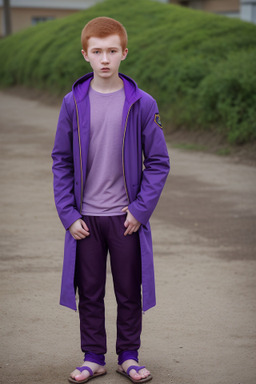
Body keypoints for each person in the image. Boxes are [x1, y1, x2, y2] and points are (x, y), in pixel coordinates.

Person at [52, 16, 170, 384]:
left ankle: (129, 355)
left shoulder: (142, 103)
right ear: (85, 54)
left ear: (124, 53)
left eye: (112, 51)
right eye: (98, 51)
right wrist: (68, 214)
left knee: (127, 289)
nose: (105, 59)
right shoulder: (73, 102)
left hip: (125, 218)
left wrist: (140, 209)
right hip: (85, 218)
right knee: (88, 291)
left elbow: (159, 161)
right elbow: (61, 160)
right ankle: (93, 356)